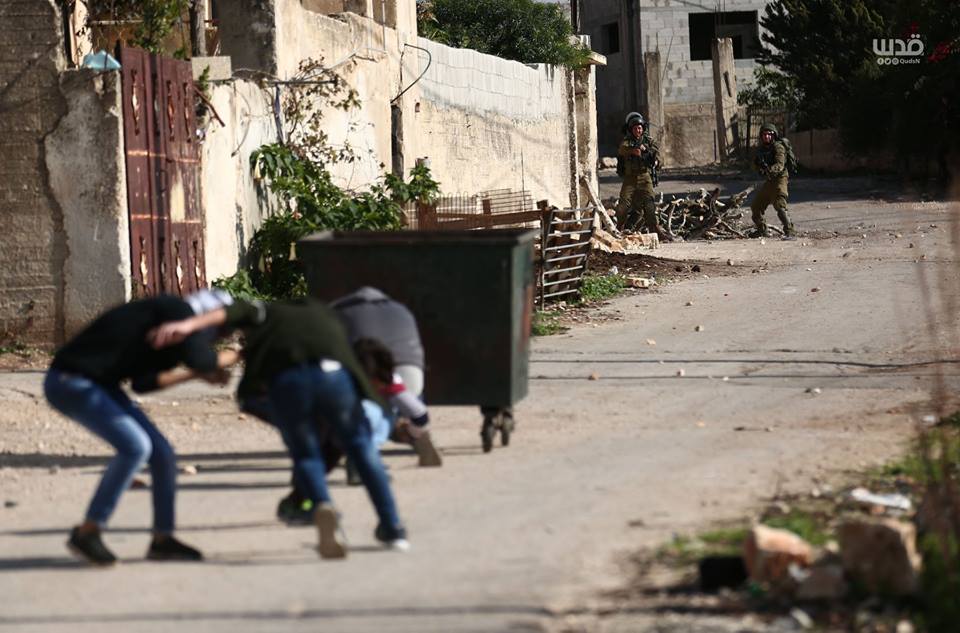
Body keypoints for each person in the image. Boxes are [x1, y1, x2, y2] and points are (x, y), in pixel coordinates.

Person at [148, 297, 409, 559]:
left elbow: (231, 312)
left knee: (307, 454)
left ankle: (322, 506)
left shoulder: (265, 313)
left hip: (290, 382)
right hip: (335, 377)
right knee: (361, 448)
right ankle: (393, 527)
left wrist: (188, 325)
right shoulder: (322, 315)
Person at [44, 295, 230, 566]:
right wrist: (236, 356)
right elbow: (203, 359)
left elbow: (144, 383)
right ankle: (88, 531)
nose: (218, 336)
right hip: (70, 380)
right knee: (136, 447)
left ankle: (162, 540)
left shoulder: (170, 332)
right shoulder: (176, 309)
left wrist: (196, 374)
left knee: (162, 453)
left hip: (102, 385)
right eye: (223, 329)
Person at [329, 287, 438, 467]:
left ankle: (361, 451)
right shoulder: (402, 311)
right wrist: (415, 429)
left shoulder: (336, 310)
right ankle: (407, 432)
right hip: (408, 373)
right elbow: (419, 413)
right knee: (399, 407)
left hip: (357, 382)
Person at [615, 112, 667, 240]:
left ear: (643, 128)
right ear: (631, 130)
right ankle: (618, 228)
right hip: (630, 178)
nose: (638, 130)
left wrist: (654, 160)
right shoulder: (627, 142)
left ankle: (654, 230)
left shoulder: (649, 142)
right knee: (623, 206)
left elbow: (659, 157)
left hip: (645, 177)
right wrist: (634, 150)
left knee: (649, 204)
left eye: (640, 128)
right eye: (635, 128)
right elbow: (622, 149)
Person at [750, 123, 795, 239]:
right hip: (769, 181)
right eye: (764, 135)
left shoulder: (778, 147)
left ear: (773, 135)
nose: (766, 137)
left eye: (769, 135)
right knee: (756, 206)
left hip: (780, 178)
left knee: (780, 205)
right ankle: (762, 230)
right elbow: (753, 165)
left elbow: (780, 165)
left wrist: (769, 170)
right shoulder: (761, 150)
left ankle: (790, 232)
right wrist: (759, 168)